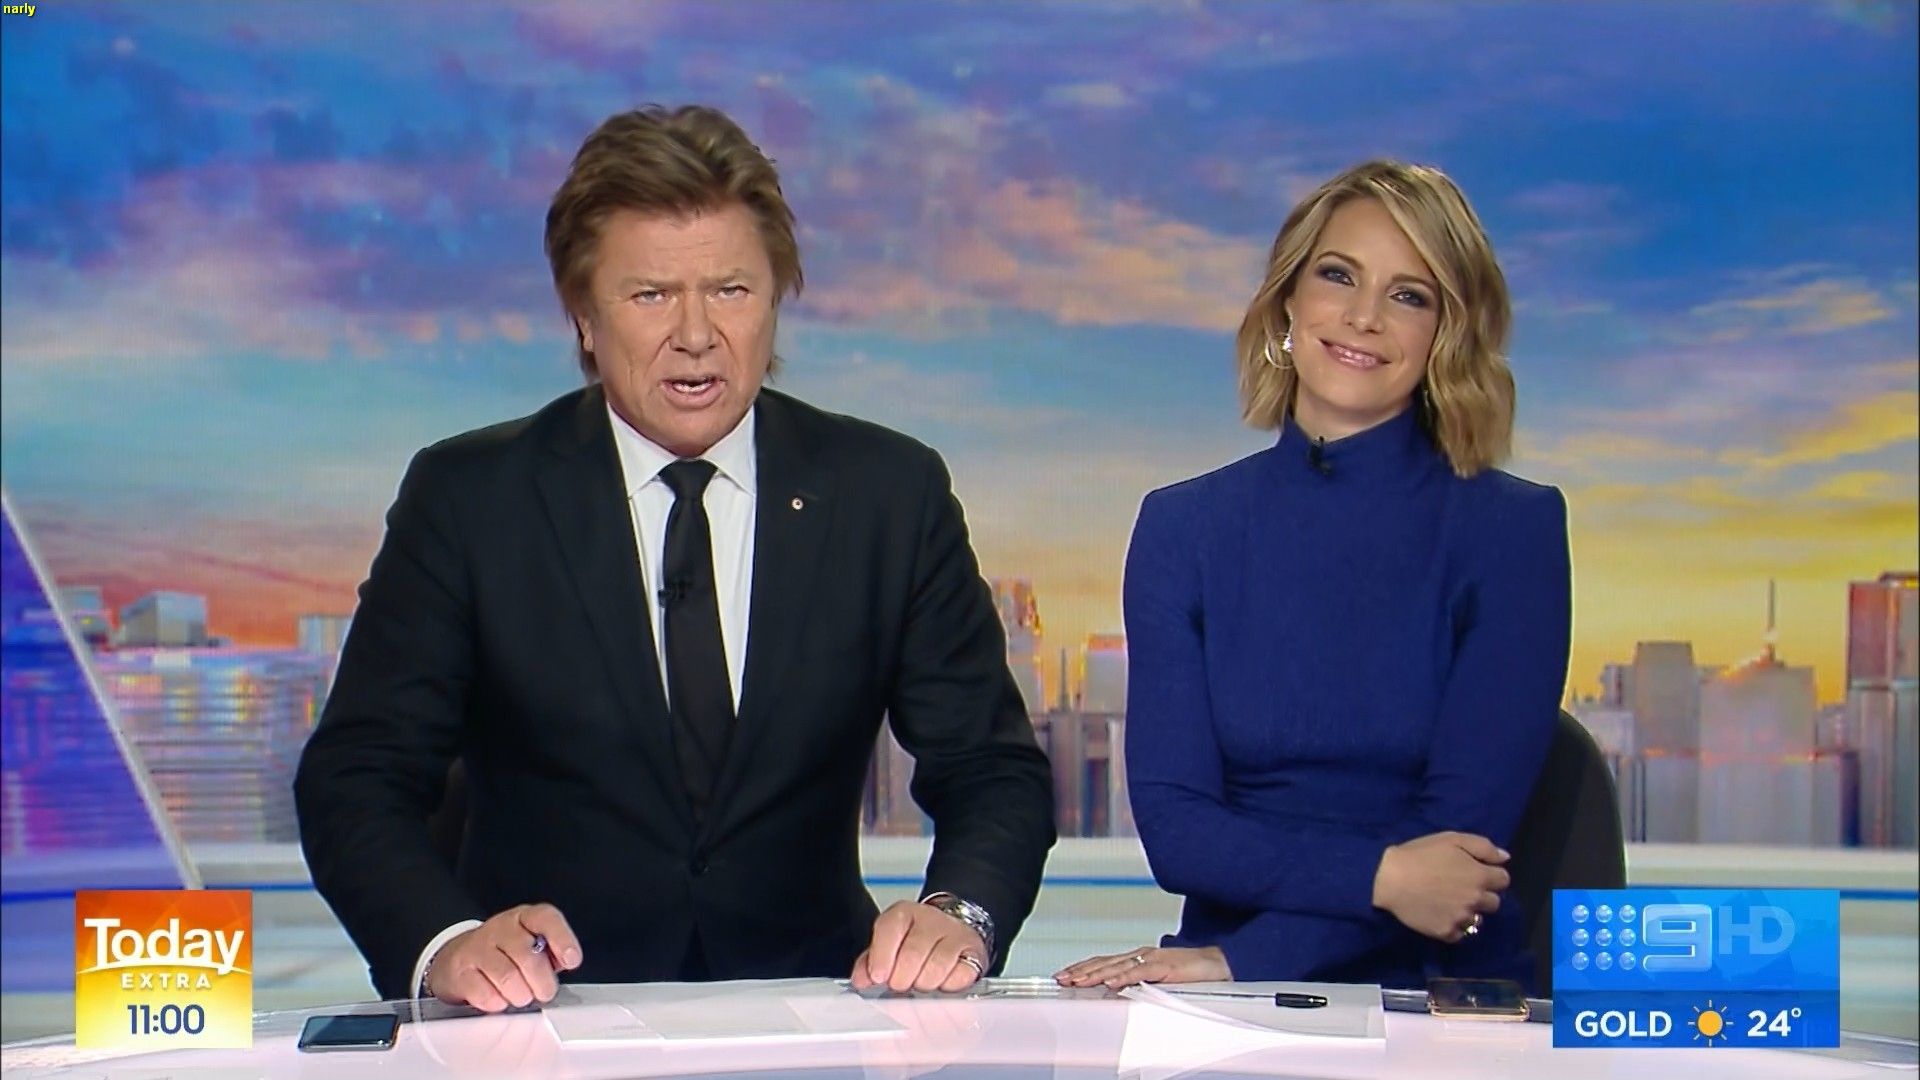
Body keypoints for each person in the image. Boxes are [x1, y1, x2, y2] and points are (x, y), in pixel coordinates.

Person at [295, 104, 1056, 1010]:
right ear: (584, 317)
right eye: (651, 295)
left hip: (818, 1012)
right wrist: (448, 944)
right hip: (543, 1024)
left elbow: (992, 770)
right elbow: (357, 776)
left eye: (730, 291)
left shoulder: (888, 493)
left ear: (775, 304)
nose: (696, 335)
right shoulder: (470, 498)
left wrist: (959, 913)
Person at [1057, 160, 1571, 993]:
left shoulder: (1512, 529)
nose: (1364, 316)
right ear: (1287, 303)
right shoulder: (1184, 528)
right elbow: (1180, 835)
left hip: (1436, 992)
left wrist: (1248, 958)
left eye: (1410, 295)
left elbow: (1459, 862)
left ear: (1446, 332)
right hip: (1220, 992)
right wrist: (1384, 877)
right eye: (1338, 275)